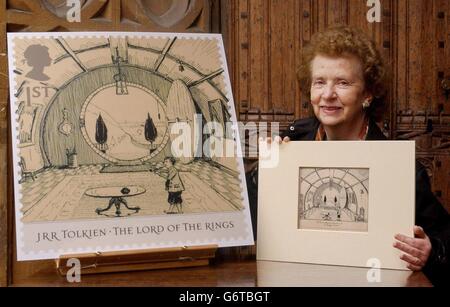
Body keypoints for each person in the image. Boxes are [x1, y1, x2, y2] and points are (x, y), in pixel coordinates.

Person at [246, 26, 450, 286]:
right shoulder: (291, 144)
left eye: (342, 83)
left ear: (367, 94)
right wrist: (265, 173)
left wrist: (431, 250)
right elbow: (249, 226)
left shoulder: (400, 169)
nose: (328, 94)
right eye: (319, 82)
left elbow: (444, 237)